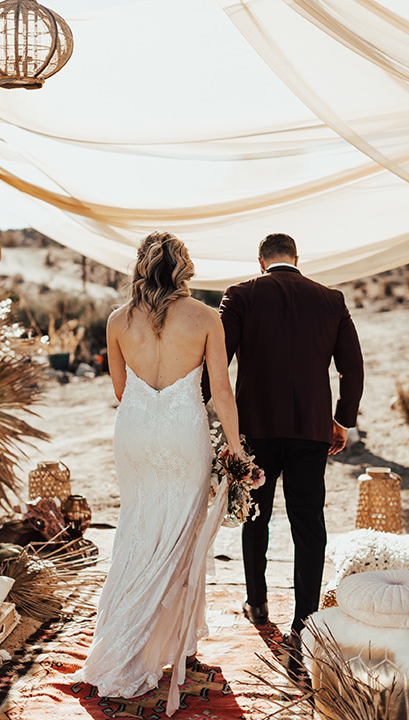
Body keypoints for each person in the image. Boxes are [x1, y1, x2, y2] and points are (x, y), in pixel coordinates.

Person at [67, 231, 246, 716]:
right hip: (184, 433)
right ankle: (165, 641)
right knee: (179, 537)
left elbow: (121, 391)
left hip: (136, 433)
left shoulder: (117, 320)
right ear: (184, 268)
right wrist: (236, 450)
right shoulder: (207, 318)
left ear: (142, 267)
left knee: (137, 529)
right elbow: (222, 393)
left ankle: (134, 634)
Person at [203, 232, 364, 662]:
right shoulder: (331, 299)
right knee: (308, 523)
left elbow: (218, 360)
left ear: (261, 261)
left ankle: (257, 604)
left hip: (255, 429)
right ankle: (305, 620)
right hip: (312, 431)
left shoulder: (240, 295)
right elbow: (352, 368)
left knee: (256, 514)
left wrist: (199, 405)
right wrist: (342, 420)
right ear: (297, 258)